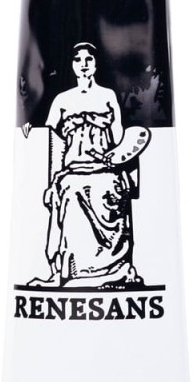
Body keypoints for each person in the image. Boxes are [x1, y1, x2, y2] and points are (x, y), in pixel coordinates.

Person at [27, 43, 142, 288]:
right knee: (69, 190)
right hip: (73, 171)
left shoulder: (107, 96)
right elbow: (52, 142)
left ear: (96, 64)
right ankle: (71, 271)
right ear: (72, 65)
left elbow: (118, 138)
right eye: (78, 60)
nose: (83, 64)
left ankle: (113, 268)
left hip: (104, 169)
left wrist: (120, 161)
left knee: (111, 190)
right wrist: (31, 130)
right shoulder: (62, 100)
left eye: (88, 59)